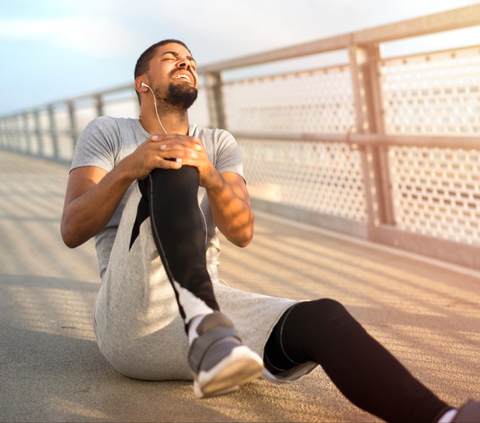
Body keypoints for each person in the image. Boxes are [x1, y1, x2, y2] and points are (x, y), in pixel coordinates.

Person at [61, 39, 479, 422]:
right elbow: (73, 228)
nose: (185, 62)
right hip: (132, 316)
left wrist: (210, 176)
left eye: (190, 59)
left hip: (213, 322)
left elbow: (241, 232)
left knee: (323, 317)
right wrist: (130, 167)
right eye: (171, 58)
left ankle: (440, 419)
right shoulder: (108, 132)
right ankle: (204, 323)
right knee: (171, 155)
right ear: (142, 82)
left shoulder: (218, 142)